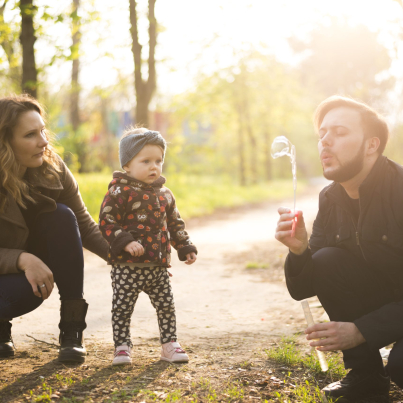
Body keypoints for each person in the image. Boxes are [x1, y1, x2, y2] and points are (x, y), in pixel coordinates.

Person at [275, 95, 403, 402]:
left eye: (340, 133)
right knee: (326, 259)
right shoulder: (331, 198)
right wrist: (299, 251)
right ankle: (367, 376)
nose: (325, 142)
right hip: (391, 300)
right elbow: (306, 285)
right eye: (322, 135)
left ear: (371, 145)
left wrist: (362, 330)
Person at [0, 95, 108, 363]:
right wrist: (21, 259)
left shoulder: (53, 167)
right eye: (30, 135)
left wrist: (125, 257)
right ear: (5, 142)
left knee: (61, 215)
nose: (44, 141)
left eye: (42, 131)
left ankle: (72, 329)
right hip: (9, 271)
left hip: (31, 274)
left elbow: (83, 224)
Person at [99, 127, 197, 366]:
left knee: (166, 306)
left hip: (157, 266)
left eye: (158, 160)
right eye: (146, 161)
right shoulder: (120, 191)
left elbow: (175, 223)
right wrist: (126, 241)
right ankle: (122, 347)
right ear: (128, 165)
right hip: (126, 266)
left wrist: (184, 246)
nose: (154, 166)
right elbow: (106, 221)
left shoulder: (165, 194)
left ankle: (169, 344)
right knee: (122, 307)